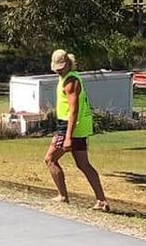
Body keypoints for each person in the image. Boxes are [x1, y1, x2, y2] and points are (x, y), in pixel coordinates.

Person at [46, 49, 109, 211]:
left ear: (68, 63)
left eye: (61, 66)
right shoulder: (67, 78)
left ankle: (63, 196)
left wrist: (68, 136)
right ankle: (102, 200)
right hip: (77, 127)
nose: (59, 69)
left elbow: (73, 110)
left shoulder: (70, 82)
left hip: (69, 126)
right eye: (57, 67)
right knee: (83, 164)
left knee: (50, 159)